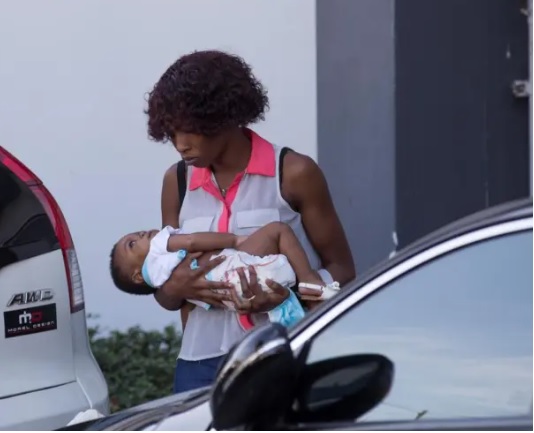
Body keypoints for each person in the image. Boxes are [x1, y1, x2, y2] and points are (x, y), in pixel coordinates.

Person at [145, 49, 355, 393]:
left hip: (283, 352)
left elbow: (343, 269)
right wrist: (176, 288)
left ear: (225, 117)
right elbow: (167, 293)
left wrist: (287, 296)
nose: (180, 145)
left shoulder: (292, 172)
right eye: (171, 133)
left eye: (191, 130)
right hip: (199, 367)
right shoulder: (177, 182)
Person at [108, 222, 340, 329]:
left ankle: (285, 310)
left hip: (228, 296)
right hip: (233, 266)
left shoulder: (160, 282)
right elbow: (191, 240)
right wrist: (234, 240)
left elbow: (168, 300)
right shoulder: (160, 246)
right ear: (138, 277)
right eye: (132, 243)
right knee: (278, 231)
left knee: (272, 290)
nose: (139, 234)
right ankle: (311, 286)